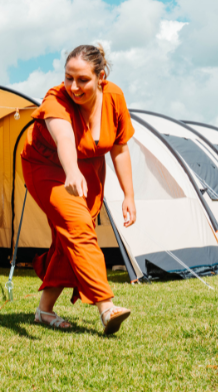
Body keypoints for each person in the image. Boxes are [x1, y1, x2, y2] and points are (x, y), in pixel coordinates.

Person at [20, 44, 136, 335]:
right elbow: (63, 138)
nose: (73, 86)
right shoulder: (56, 98)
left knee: (69, 239)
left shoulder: (114, 97)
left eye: (82, 79)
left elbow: (120, 148)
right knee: (79, 227)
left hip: (89, 168)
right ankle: (107, 308)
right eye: (68, 77)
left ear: (101, 76)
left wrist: (129, 195)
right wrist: (71, 170)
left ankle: (44, 311)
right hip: (46, 166)